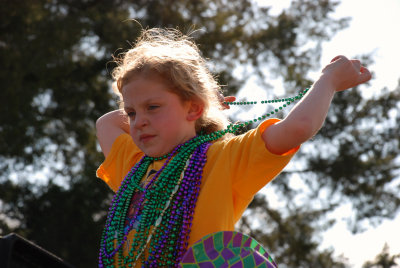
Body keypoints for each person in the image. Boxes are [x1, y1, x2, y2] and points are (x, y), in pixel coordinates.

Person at [95, 28, 371, 267]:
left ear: (193, 108)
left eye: (153, 107)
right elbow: (106, 122)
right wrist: (195, 103)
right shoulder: (135, 165)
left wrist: (329, 81)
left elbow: (297, 128)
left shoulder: (224, 158)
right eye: (131, 113)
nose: (139, 122)